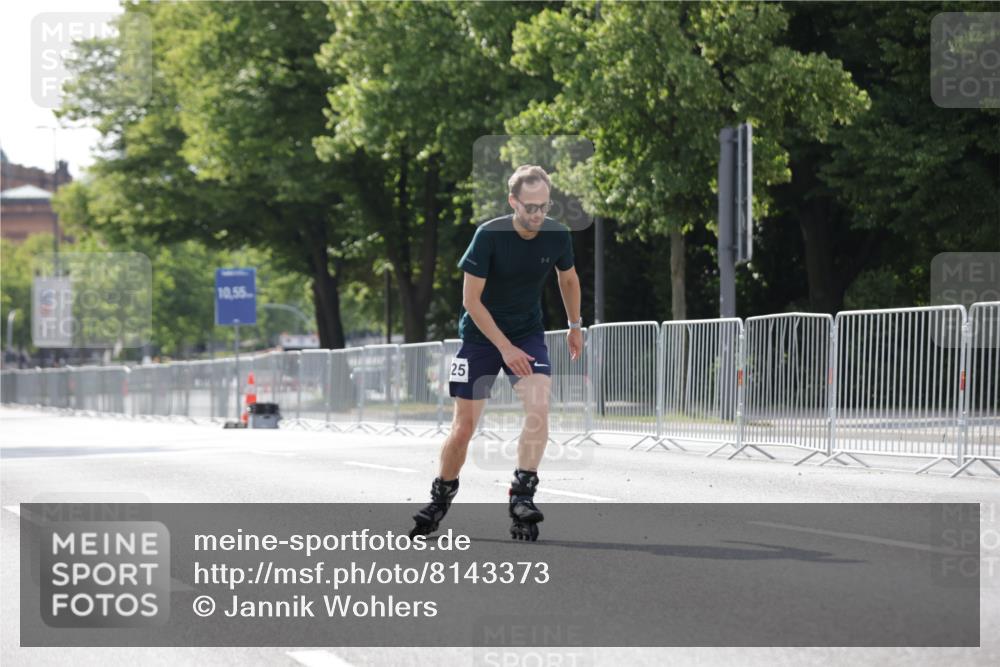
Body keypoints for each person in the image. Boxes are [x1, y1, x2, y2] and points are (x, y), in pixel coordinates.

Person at [411, 165, 583, 542]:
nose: (537, 214)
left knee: (538, 411)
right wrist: (504, 348)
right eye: (530, 207)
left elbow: (567, 278)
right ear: (513, 202)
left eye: (543, 206)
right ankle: (440, 497)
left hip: (527, 334)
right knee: (464, 429)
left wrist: (575, 324)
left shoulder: (557, 234)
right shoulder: (488, 235)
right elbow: (471, 301)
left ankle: (522, 495)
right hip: (480, 338)